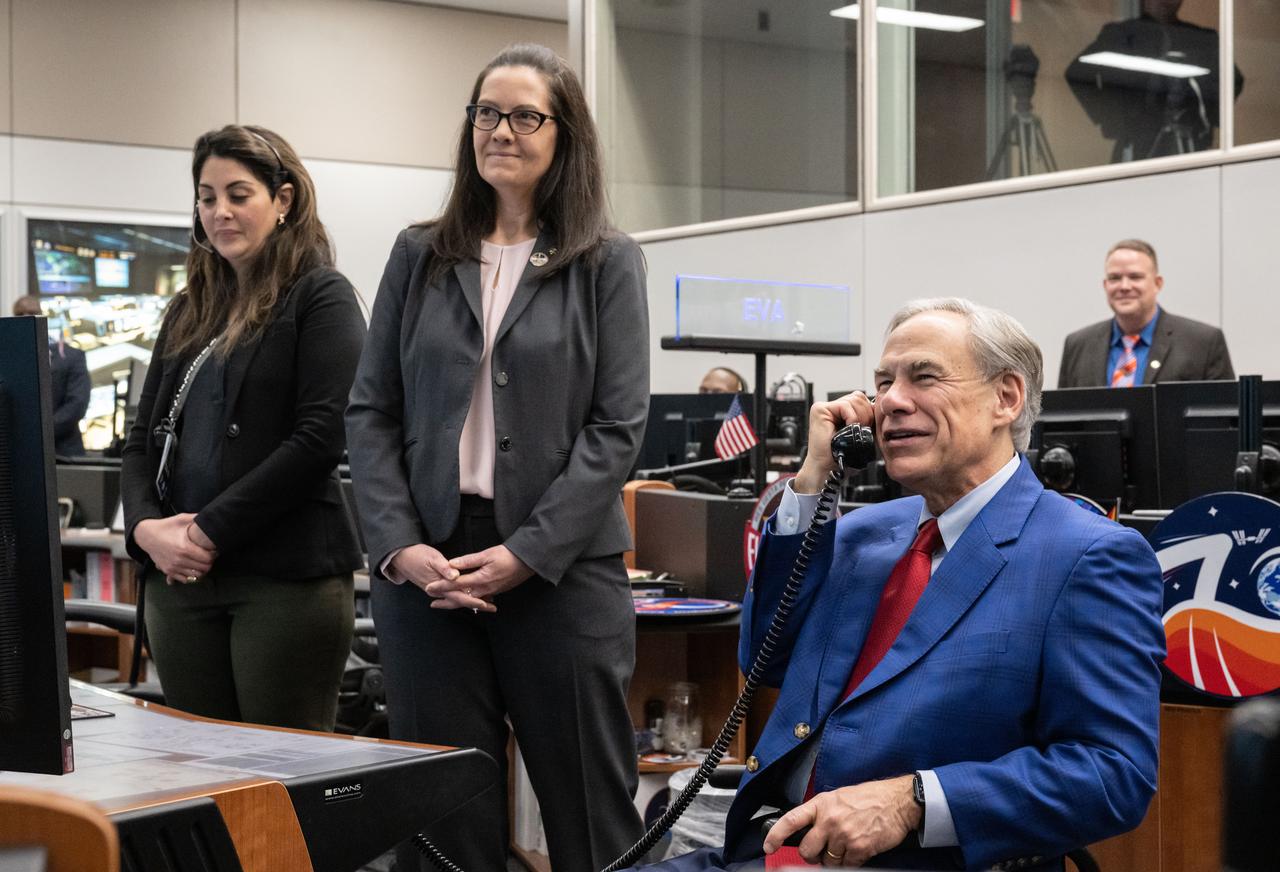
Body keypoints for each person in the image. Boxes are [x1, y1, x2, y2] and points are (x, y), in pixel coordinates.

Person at [635, 298, 1165, 870]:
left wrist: (914, 800)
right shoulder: (862, 532)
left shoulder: (1088, 555)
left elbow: (1113, 775)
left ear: (1006, 398)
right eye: (882, 381)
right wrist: (811, 485)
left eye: (924, 377)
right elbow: (768, 663)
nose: (889, 401)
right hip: (765, 850)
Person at [345, 43, 648, 872]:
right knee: (443, 825)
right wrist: (398, 547)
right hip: (428, 570)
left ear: (564, 134)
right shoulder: (420, 253)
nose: (500, 130)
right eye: (486, 112)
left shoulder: (606, 260)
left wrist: (527, 553)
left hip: (560, 570)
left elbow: (617, 427)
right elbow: (370, 411)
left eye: (524, 115)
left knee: (590, 816)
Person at [120, 125, 365, 731]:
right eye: (207, 197)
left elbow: (320, 437)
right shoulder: (188, 308)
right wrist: (147, 530)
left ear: (282, 200)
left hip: (283, 582)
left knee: (282, 785)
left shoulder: (320, 296)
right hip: (180, 586)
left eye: (238, 193)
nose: (220, 212)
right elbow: (140, 440)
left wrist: (204, 532)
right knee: (201, 779)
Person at [1065, 0, 1243, 163]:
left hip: (1190, 141)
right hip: (1138, 140)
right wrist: (1112, 120)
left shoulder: (1202, 39)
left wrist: (1206, 119)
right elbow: (1078, 73)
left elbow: (1234, 80)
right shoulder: (1122, 34)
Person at [1058, 238, 1233, 388]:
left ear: (1158, 283)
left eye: (1135, 277)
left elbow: (1225, 419)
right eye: (1115, 278)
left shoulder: (1203, 343)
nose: (1124, 286)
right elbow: (1062, 420)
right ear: (1105, 285)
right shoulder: (1077, 346)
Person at [13, 295, 91, 457]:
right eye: (20, 314)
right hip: (16, 454)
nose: (26, 318)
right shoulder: (7, 359)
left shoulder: (72, 357)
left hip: (63, 453)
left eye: (32, 312)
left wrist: (37, 434)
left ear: (43, 317)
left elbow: (77, 405)